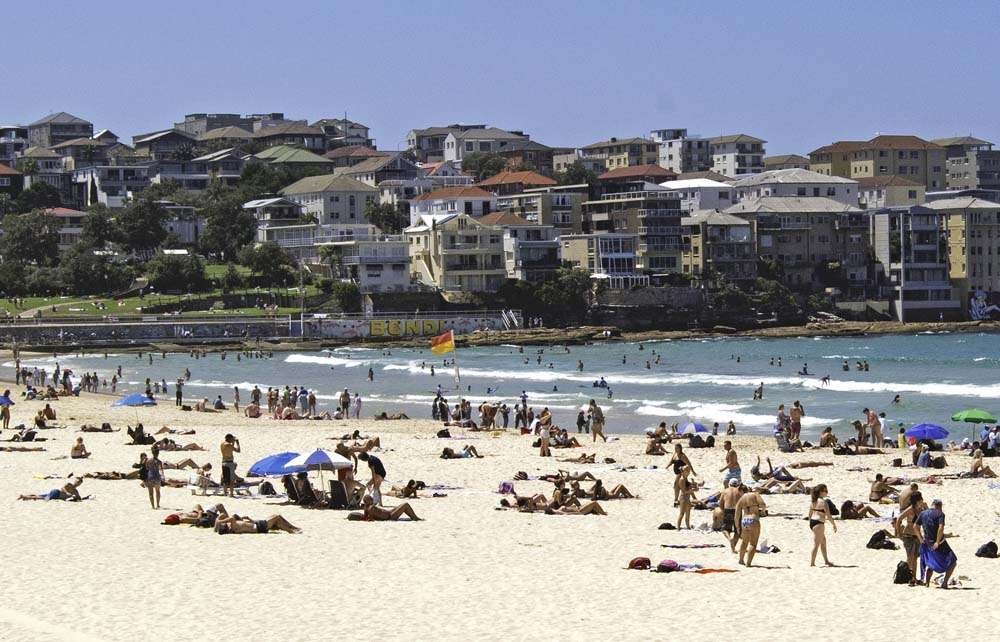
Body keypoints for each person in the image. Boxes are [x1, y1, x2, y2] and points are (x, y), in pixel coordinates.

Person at [915, 499, 957, 588]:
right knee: (953, 561)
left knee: (931, 562)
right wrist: (937, 542)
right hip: (939, 543)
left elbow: (915, 526)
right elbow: (941, 528)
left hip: (927, 543)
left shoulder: (923, 513)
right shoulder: (940, 514)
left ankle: (927, 583)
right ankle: (944, 583)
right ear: (939, 506)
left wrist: (920, 539)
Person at [894, 490, 925, 586]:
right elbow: (899, 519)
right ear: (916, 500)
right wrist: (898, 533)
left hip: (917, 536)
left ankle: (913, 578)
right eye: (920, 499)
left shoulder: (921, 509)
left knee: (915, 558)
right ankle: (909, 577)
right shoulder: (910, 509)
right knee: (910, 557)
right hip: (908, 536)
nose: (922, 500)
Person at [734, 489, 767, 567]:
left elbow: (737, 514)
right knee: (753, 543)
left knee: (744, 542)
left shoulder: (741, 498)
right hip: (753, 519)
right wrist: (763, 511)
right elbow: (763, 504)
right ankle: (748, 563)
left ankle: (741, 560)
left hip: (744, 520)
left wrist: (737, 526)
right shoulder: (755, 494)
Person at [809, 484, 837, 566]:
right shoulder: (824, 502)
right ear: (820, 492)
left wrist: (810, 524)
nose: (827, 492)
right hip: (819, 523)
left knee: (823, 542)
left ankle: (826, 561)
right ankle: (812, 563)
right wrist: (834, 525)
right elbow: (828, 516)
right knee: (816, 544)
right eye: (825, 491)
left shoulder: (813, 501)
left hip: (813, 522)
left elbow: (810, 514)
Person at [718, 478, 743, 552]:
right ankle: (733, 548)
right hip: (737, 511)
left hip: (728, 510)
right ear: (737, 484)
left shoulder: (725, 491)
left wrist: (723, 511)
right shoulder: (739, 491)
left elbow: (720, 504)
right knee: (737, 531)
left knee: (725, 529)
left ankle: (730, 539)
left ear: (729, 484)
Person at [215, 514, 302, 534]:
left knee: (277, 521)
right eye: (227, 525)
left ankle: (292, 529)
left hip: (258, 525)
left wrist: (249, 519)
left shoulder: (235, 527)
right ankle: (292, 529)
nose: (228, 524)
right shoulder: (234, 527)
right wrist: (219, 521)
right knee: (277, 517)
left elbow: (248, 525)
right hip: (260, 527)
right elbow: (231, 518)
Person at [356, 495, 421, 521]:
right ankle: (415, 517)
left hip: (389, 512)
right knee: (405, 505)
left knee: (401, 506)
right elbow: (370, 519)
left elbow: (366, 517)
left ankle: (413, 517)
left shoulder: (366, 508)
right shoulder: (371, 508)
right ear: (368, 501)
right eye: (371, 499)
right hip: (390, 517)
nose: (372, 499)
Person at [19, 478, 84, 501]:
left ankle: (25, 496)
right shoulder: (69, 484)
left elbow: (79, 498)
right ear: (74, 481)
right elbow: (63, 488)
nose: (77, 483)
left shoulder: (75, 491)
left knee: (40, 496)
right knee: (44, 498)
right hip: (57, 493)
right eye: (77, 481)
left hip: (56, 496)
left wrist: (75, 498)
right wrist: (67, 492)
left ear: (80, 484)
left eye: (78, 483)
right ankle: (26, 497)